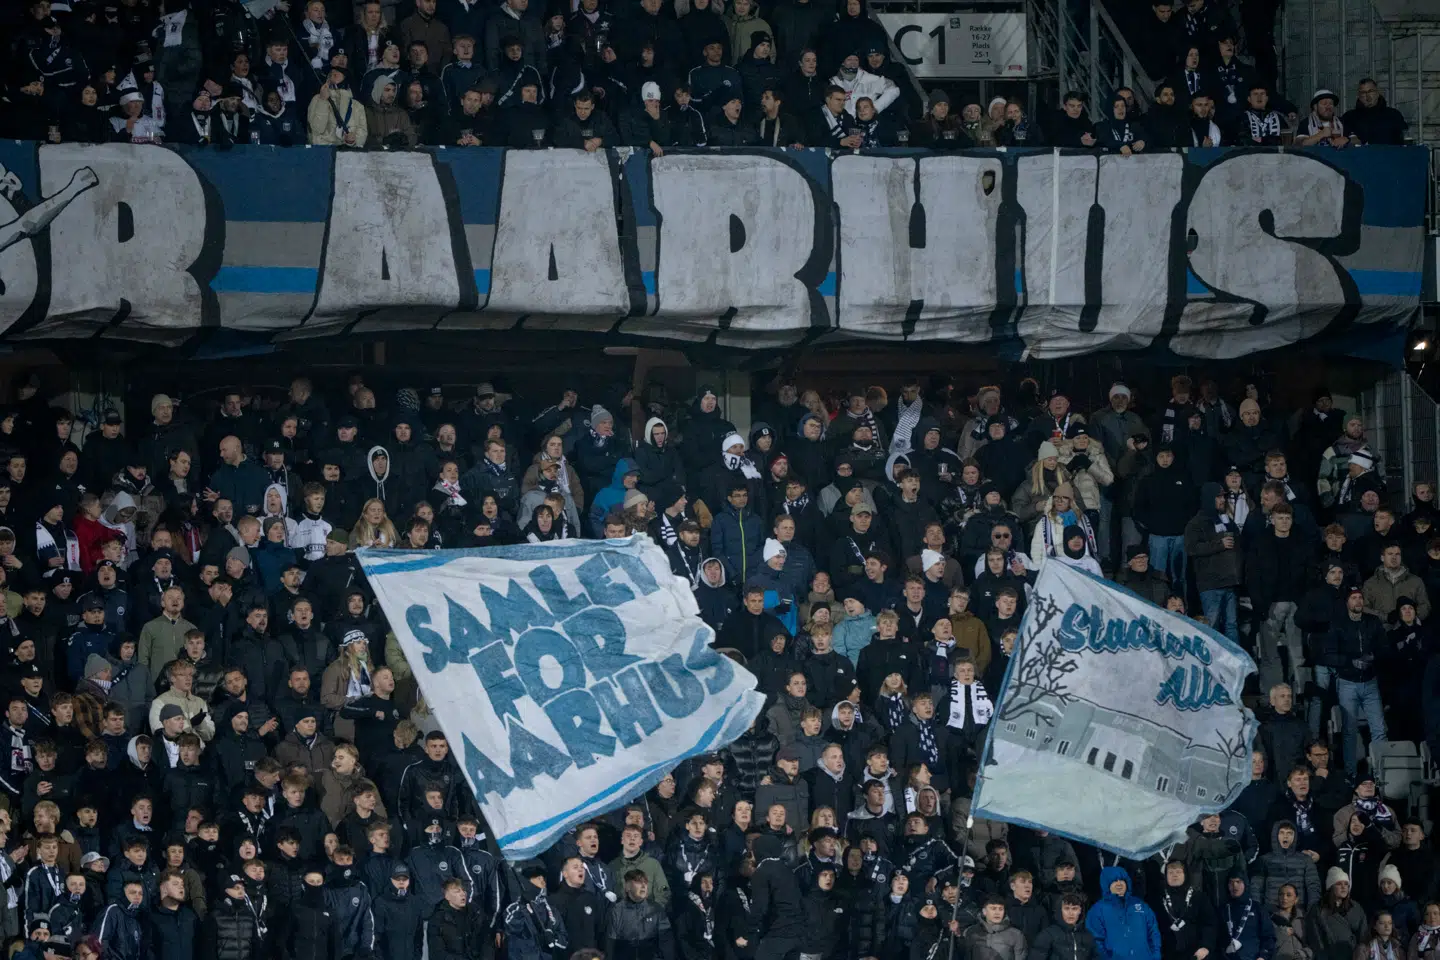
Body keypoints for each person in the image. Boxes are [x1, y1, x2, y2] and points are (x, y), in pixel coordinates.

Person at [1087, 866, 1160, 960]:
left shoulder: (1140, 905)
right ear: (1106, 884)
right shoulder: (1097, 910)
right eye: (1114, 881)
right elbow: (1095, 941)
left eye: (1122, 880)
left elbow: (1153, 932)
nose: (1119, 883)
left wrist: (1155, 956)